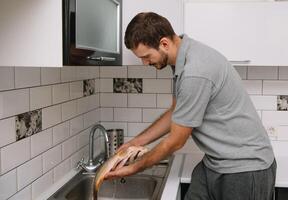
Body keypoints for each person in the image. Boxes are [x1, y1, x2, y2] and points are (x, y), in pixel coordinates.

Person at [105, 12, 276, 200]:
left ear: (164, 44)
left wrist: (135, 168)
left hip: (246, 168)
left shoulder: (194, 71)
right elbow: (176, 113)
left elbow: (176, 141)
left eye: (146, 56)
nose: (145, 63)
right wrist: (135, 143)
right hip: (215, 163)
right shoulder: (182, 58)